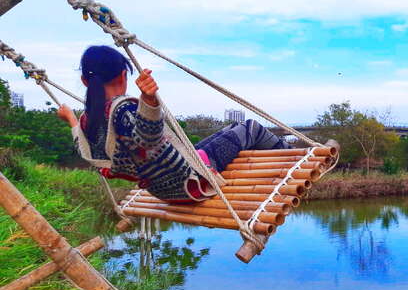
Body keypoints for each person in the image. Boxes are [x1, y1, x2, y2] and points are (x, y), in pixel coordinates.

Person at [57, 45, 292, 203]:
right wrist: (148, 102)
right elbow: (147, 140)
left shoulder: (90, 120)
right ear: (123, 75)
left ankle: (287, 155)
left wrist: (71, 119)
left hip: (161, 188)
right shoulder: (122, 109)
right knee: (251, 128)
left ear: (84, 81)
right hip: (188, 182)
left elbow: (85, 151)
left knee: (231, 130)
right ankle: (295, 158)